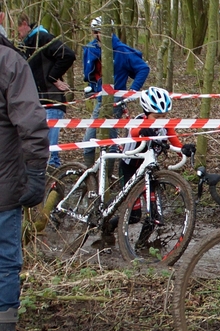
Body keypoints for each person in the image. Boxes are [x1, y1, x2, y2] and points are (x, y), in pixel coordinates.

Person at [0, 35, 49, 331]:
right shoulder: (9, 61)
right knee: (5, 261)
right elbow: (31, 121)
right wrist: (35, 172)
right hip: (4, 185)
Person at [99, 87, 195, 246]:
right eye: (157, 116)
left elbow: (176, 143)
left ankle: (141, 245)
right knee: (134, 215)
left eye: (164, 116)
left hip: (148, 171)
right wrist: (144, 129)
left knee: (155, 214)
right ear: (146, 113)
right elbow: (135, 131)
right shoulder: (137, 121)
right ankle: (108, 226)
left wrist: (185, 150)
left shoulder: (166, 125)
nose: (161, 120)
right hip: (129, 167)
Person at [82, 16, 150, 173]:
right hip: (99, 98)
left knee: (108, 139)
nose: (96, 35)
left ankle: (106, 180)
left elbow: (143, 68)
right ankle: (89, 177)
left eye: (99, 32)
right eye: (94, 32)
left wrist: (133, 90)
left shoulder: (121, 51)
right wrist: (91, 87)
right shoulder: (90, 49)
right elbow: (91, 73)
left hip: (114, 99)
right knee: (89, 140)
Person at [17, 13, 76, 169]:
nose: (16, 34)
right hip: (36, 102)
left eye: (17, 30)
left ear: (24, 24)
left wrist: (52, 77)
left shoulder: (42, 38)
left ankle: (55, 180)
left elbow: (68, 55)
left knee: (51, 151)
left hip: (51, 100)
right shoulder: (25, 44)